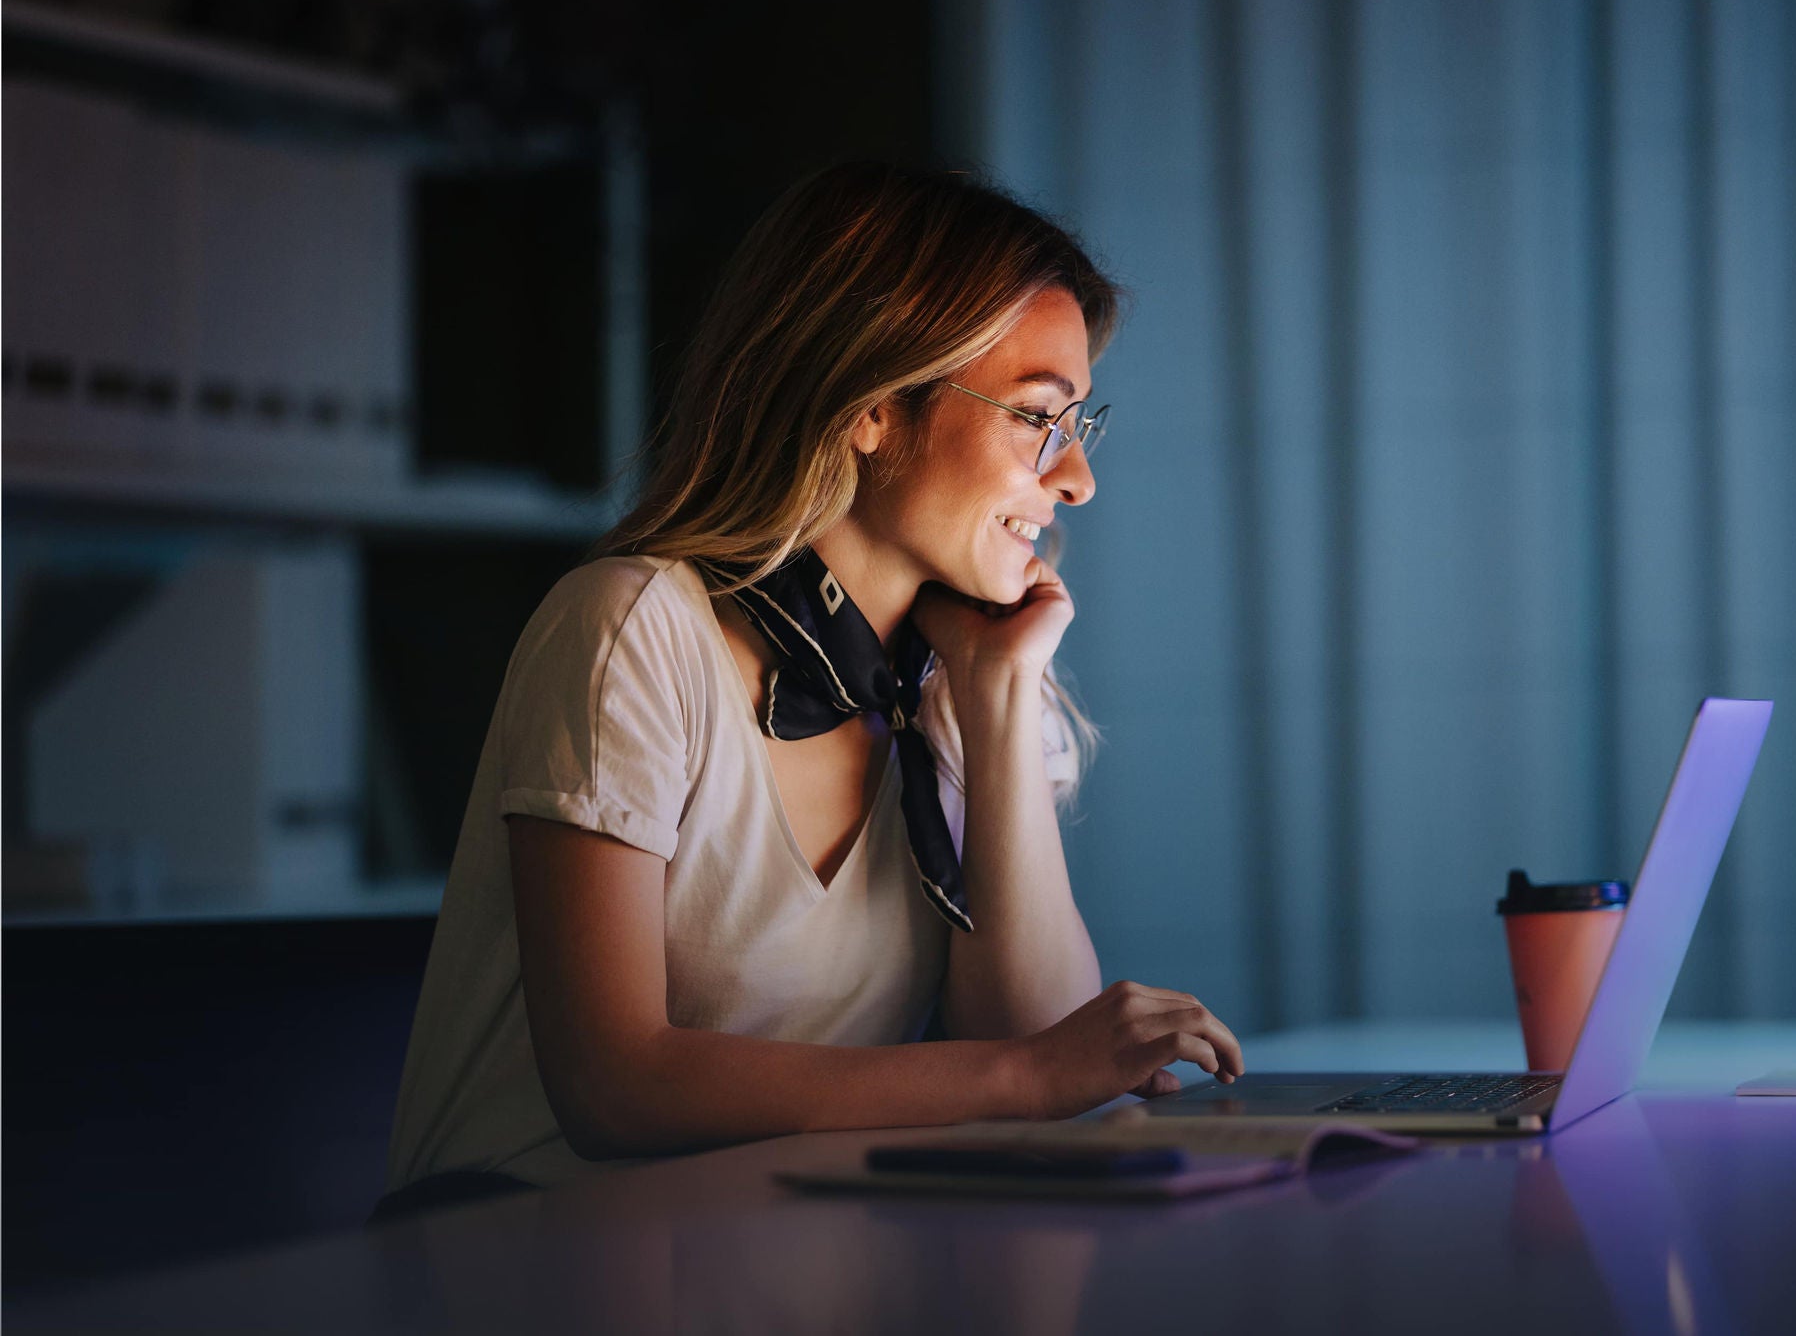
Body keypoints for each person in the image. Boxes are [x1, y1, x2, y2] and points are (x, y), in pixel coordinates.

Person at [382, 163, 1244, 1205]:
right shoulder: (631, 628)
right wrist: (1023, 1076)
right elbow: (613, 1089)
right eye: (1033, 417)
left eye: (1075, 426)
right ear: (873, 406)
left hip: (768, 1254)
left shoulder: (954, 680)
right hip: (522, 1256)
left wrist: (1001, 696)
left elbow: (1040, 1058)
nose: (1075, 479)